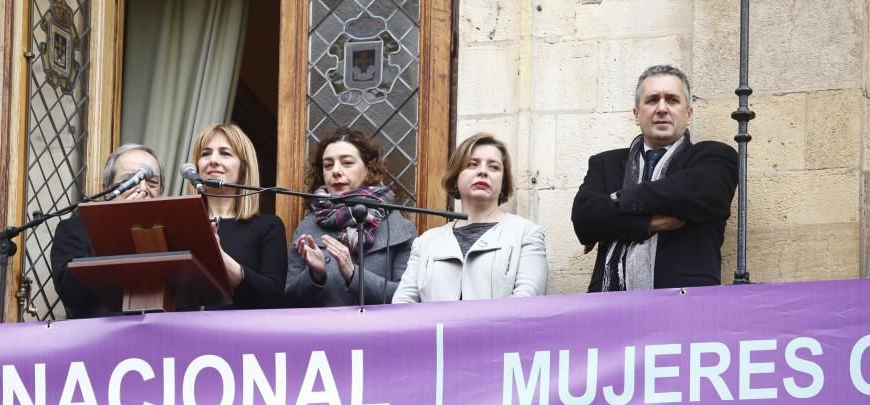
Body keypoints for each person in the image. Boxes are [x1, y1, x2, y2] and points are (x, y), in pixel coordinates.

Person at [572, 64, 738, 291]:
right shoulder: (606, 163)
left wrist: (614, 203)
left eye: (672, 100)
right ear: (636, 114)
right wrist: (646, 223)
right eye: (652, 100)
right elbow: (583, 217)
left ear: (688, 114)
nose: (662, 108)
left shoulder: (713, 157)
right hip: (609, 304)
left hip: (685, 304)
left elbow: (698, 193)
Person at [392, 133, 547, 302]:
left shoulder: (526, 234)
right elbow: (403, 304)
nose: (482, 172)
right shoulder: (426, 242)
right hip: (435, 329)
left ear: (503, 182)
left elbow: (527, 301)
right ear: (456, 176)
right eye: (472, 165)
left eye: (494, 167)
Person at [285, 128, 416, 307]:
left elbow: (408, 299)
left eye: (347, 163)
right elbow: (287, 302)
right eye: (328, 165)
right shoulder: (308, 228)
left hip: (377, 332)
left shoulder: (399, 227)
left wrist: (354, 274)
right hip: (322, 332)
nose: (336, 171)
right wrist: (315, 276)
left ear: (369, 170)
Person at [51, 143, 164, 318]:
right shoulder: (74, 230)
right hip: (98, 338)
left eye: (152, 182)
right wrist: (119, 228)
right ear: (107, 189)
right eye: (131, 180)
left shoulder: (172, 230)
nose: (143, 188)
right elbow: (72, 294)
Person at [191, 123, 287, 308]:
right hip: (182, 333)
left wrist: (222, 260)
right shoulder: (182, 224)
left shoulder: (268, 226)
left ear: (243, 168)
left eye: (225, 153)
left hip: (240, 334)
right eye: (205, 154)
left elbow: (273, 297)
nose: (213, 160)